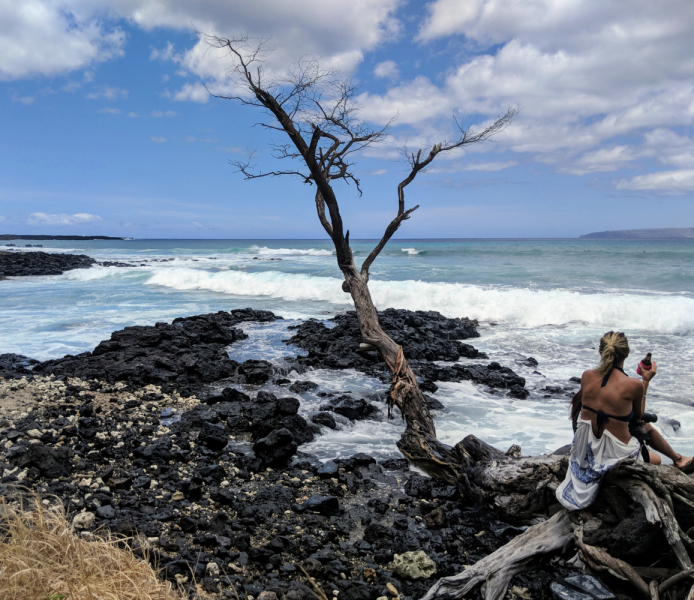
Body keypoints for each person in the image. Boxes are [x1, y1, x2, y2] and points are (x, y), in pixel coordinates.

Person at [556, 331, 692, 511]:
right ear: (626, 354)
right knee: (656, 456)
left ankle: (678, 458)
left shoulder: (587, 375)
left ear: (601, 352)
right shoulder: (633, 384)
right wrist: (645, 380)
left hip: (585, 449)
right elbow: (638, 414)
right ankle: (678, 459)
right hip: (613, 453)